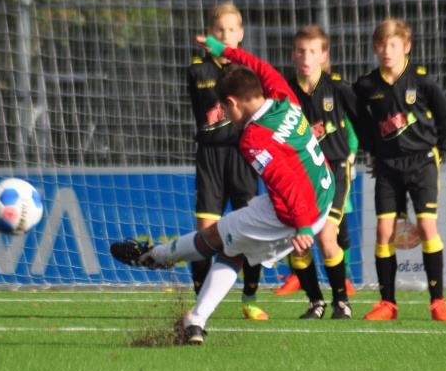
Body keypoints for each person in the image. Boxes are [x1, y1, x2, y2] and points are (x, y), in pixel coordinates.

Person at [111, 34, 336, 344]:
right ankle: (196, 320)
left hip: (295, 211)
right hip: (322, 195)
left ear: (232, 103)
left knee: (216, 236)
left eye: (226, 111)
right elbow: (257, 64)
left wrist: (302, 227)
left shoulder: (253, 139)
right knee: (234, 248)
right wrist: (223, 50)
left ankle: (155, 256)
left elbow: (284, 180)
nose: (227, 118)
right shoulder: (282, 94)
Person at [352, 18, 446, 322]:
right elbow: (360, 121)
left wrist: (439, 151)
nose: (387, 50)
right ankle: (388, 304)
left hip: (422, 162)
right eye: (382, 44)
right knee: (384, 232)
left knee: (426, 228)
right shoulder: (367, 85)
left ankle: (437, 302)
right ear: (375, 47)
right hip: (386, 166)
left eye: (393, 45)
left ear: (406, 47)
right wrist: (373, 151)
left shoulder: (422, 80)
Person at [185, 2, 267, 321]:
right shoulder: (197, 71)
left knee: (250, 229)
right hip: (210, 157)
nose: (226, 35)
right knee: (205, 230)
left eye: (232, 29)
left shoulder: (251, 71)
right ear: (209, 34)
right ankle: (201, 301)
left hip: (245, 155)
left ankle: (250, 298)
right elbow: (200, 115)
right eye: (220, 30)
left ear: (241, 33)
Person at [279, 25, 362, 318]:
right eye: (301, 50)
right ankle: (316, 302)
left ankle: (342, 301)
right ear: (293, 54)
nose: (306, 57)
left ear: (323, 56)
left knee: (328, 236)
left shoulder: (338, 88)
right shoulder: (284, 93)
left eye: (313, 51)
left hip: (336, 169)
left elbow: (362, 121)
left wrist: (369, 152)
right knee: (297, 242)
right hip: (301, 175)